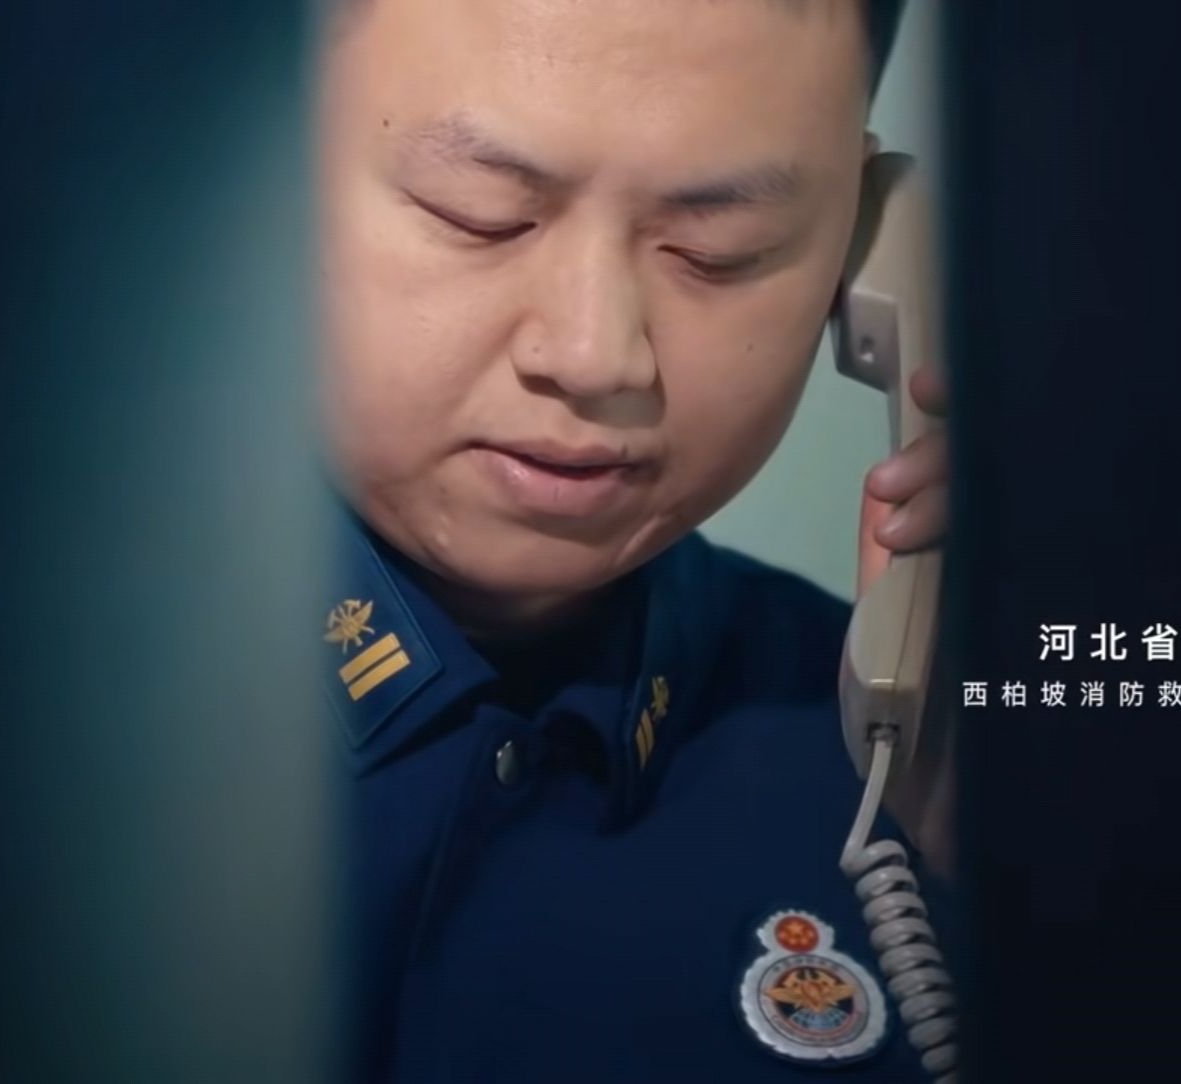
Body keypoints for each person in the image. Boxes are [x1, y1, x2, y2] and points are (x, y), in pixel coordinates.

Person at [314, 1, 949, 1078]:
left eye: (716, 251)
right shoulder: (12, 730)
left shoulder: (905, 755)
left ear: (861, 250)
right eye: (480, 216)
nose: (597, 354)